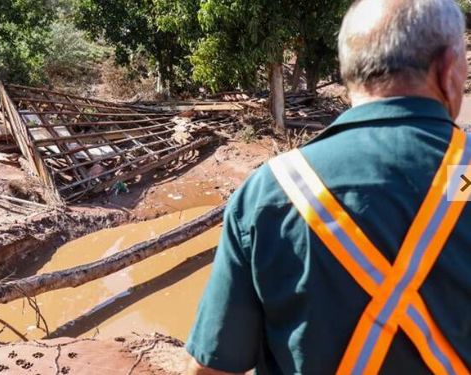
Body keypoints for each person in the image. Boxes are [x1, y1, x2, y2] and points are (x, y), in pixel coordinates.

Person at [185, 0, 471, 374]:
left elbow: (211, 369)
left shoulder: (273, 189)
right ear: (449, 67)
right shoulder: (463, 176)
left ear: (347, 71)